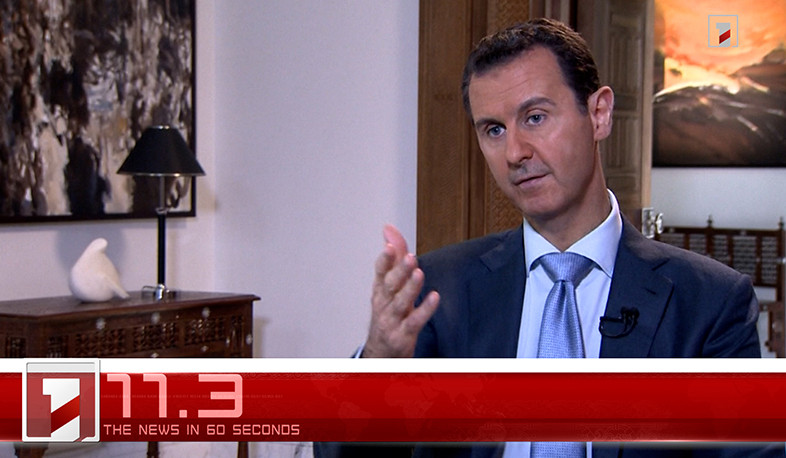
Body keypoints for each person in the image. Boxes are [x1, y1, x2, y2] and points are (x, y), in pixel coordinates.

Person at [316, 18, 784, 457]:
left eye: (535, 117)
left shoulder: (709, 303)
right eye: (494, 129)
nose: (515, 152)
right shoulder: (439, 291)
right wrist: (377, 363)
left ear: (599, 114)